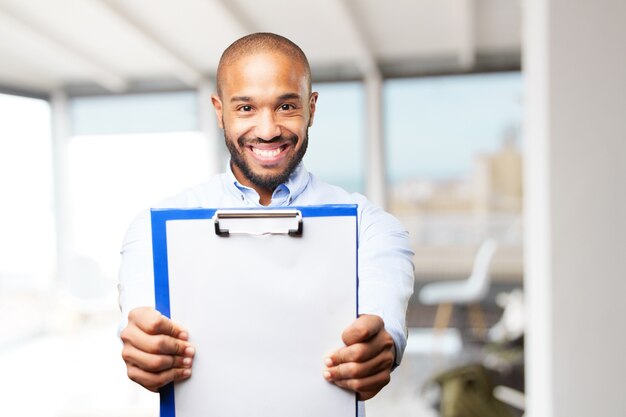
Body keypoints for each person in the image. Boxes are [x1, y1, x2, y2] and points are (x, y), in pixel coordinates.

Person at [118, 32, 414, 411]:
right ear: (219, 109)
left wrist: (381, 346)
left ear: (312, 107)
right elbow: (138, 321)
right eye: (245, 109)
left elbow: (386, 315)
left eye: (286, 106)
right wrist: (143, 346)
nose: (268, 129)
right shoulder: (154, 227)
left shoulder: (370, 226)